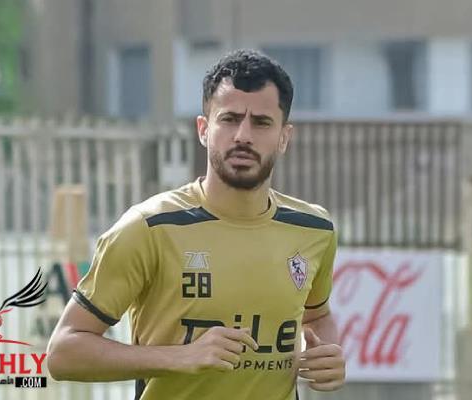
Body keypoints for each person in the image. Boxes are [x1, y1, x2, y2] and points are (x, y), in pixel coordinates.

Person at [47, 49, 345, 399]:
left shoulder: (314, 230)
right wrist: (180, 357)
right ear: (204, 129)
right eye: (230, 119)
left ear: (284, 137)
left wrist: (328, 353)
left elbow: (317, 316)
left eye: (262, 122)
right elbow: (63, 352)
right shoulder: (149, 228)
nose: (243, 135)